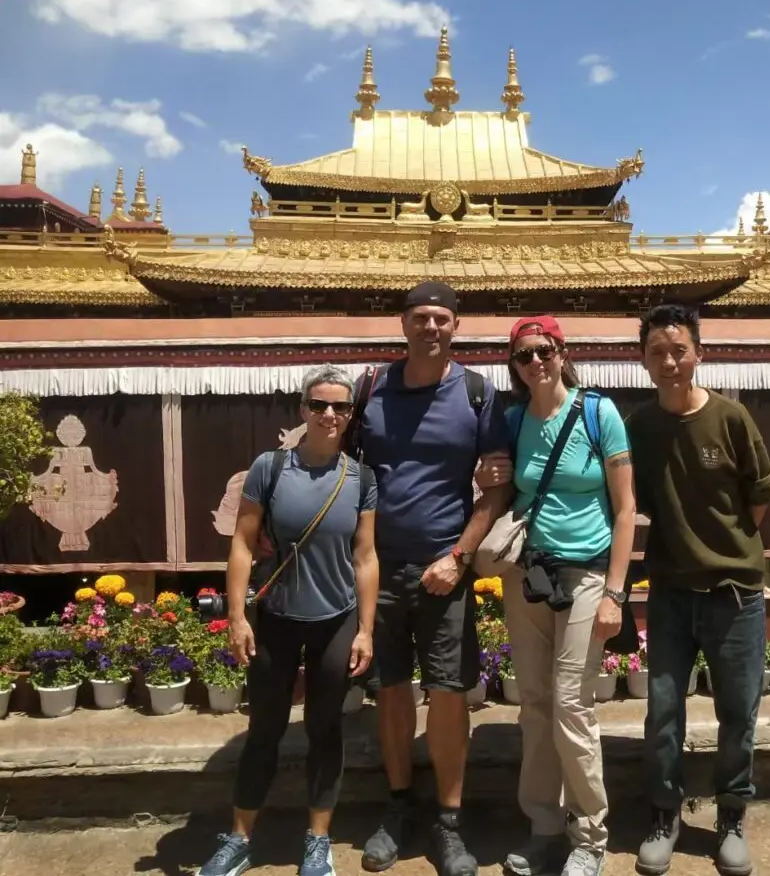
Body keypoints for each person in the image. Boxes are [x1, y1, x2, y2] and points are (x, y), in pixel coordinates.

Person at [357, 281, 513, 876]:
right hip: (377, 568)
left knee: (448, 693)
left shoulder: (476, 394)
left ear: (456, 326)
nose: (431, 327)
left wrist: (460, 557)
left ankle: (449, 822)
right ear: (403, 324)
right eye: (421, 317)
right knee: (391, 689)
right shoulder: (371, 389)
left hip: (444, 569)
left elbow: (494, 487)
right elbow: (345, 470)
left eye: (442, 319)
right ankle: (398, 807)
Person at [200, 364, 379, 876]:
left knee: (325, 731)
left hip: (335, 619)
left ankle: (317, 841)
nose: (328, 414)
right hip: (276, 618)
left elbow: (365, 556)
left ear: (349, 415)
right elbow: (241, 542)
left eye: (339, 407)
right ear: (303, 409)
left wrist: (365, 628)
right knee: (265, 729)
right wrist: (237, 616)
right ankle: (238, 838)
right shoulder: (270, 468)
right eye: (318, 404)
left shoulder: (360, 478)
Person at [627, 304, 770, 876]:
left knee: (737, 712)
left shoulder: (731, 417)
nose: (669, 361)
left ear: (698, 352)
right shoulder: (640, 426)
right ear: (642, 360)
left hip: (735, 594)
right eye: (657, 352)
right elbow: (628, 500)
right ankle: (664, 814)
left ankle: (732, 815)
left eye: (679, 350)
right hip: (669, 592)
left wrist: (731, 548)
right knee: (663, 711)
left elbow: (760, 492)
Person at [498, 316, 636, 876]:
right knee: (533, 702)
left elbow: (626, 509)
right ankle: (543, 826)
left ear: (562, 353)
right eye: (524, 355)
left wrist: (616, 594)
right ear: (515, 365)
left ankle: (590, 834)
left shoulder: (599, 413)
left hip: (587, 576)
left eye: (544, 351)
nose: (535, 362)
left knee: (571, 703)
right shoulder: (512, 421)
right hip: (530, 574)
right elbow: (500, 486)